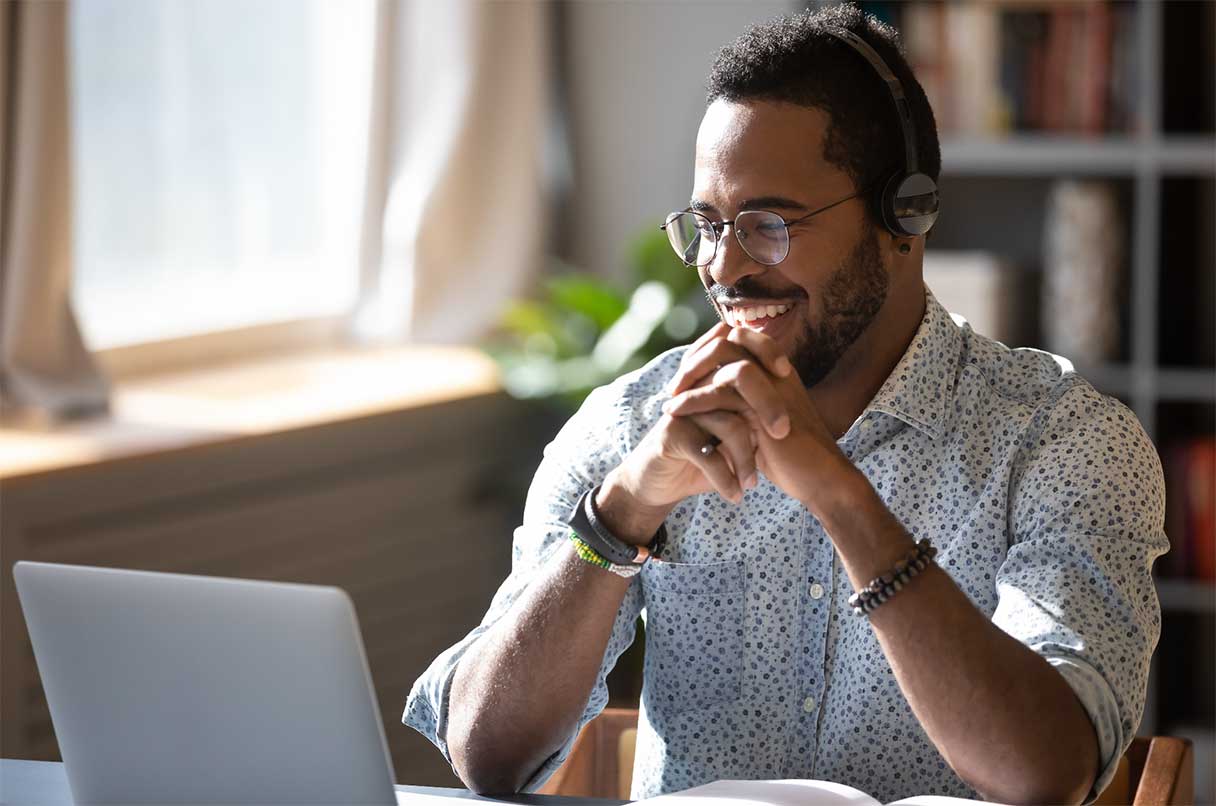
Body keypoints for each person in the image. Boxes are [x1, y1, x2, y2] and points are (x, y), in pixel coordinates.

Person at [404, 5, 1167, 804]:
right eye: (706, 223)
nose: (724, 267)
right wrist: (622, 514)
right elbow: (486, 758)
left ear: (904, 215)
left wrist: (840, 497)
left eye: (769, 223)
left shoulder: (1068, 443)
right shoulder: (633, 425)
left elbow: (1045, 774)